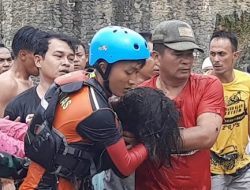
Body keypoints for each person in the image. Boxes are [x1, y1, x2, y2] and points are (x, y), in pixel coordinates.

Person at [20, 26, 151, 190]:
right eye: (129, 72)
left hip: (37, 179)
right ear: (103, 67)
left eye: (138, 72)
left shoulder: (82, 78)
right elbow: (125, 166)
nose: (135, 81)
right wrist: (150, 142)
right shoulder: (98, 112)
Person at [135, 20, 225, 189]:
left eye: (190, 53)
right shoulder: (140, 95)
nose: (187, 61)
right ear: (156, 57)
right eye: (178, 54)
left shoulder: (208, 85)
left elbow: (206, 135)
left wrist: (145, 139)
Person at [4, 32, 75, 123]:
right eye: (59, 56)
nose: (66, 63)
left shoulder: (85, 99)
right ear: (38, 60)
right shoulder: (18, 106)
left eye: (71, 59)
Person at [209, 31, 250, 189]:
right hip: (212, 168)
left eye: (221, 54)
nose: (216, 59)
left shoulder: (246, 81)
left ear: (235, 55)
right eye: (212, 54)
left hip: (242, 165)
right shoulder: (204, 84)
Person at [0, 26, 41, 117]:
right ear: (23, 55)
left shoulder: (29, 81)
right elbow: (3, 126)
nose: (40, 61)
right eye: (36, 56)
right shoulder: (6, 83)